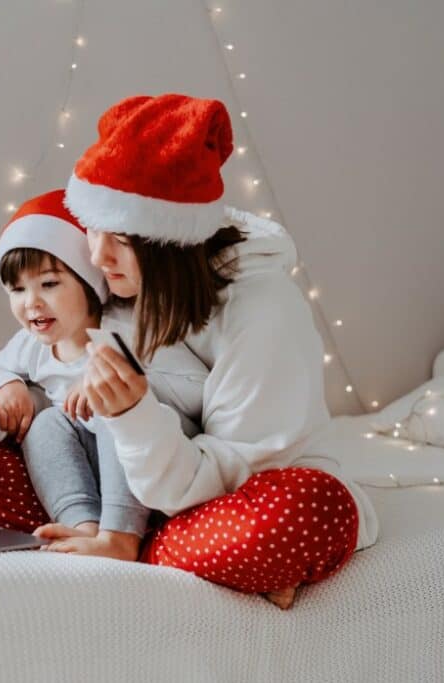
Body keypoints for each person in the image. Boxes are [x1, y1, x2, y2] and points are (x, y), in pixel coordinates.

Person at [53, 92, 379, 609]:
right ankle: (123, 539)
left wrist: (134, 416)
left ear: (167, 241)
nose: (97, 255)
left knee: (311, 510)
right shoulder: (121, 285)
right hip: (140, 493)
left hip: (235, 494)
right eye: (92, 228)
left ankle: (134, 548)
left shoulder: (263, 310)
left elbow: (225, 478)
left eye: (118, 237)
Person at [0, 189, 206, 545]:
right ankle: (82, 525)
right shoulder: (32, 346)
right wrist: (7, 384)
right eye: (17, 290)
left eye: (49, 284)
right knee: (45, 424)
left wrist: (115, 383)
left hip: (160, 468)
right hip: (100, 477)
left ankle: (120, 537)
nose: (31, 303)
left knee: (111, 408)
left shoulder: (127, 330)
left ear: (89, 282)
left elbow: (198, 389)